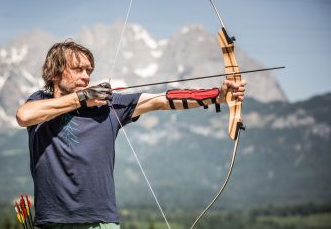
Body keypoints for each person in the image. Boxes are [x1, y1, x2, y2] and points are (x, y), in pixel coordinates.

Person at [16, 40, 246, 229]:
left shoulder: (105, 105)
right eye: (77, 69)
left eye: (88, 71)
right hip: (51, 222)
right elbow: (24, 116)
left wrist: (217, 95)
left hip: (100, 222)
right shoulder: (40, 102)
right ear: (56, 73)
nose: (86, 76)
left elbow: (161, 100)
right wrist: (81, 99)